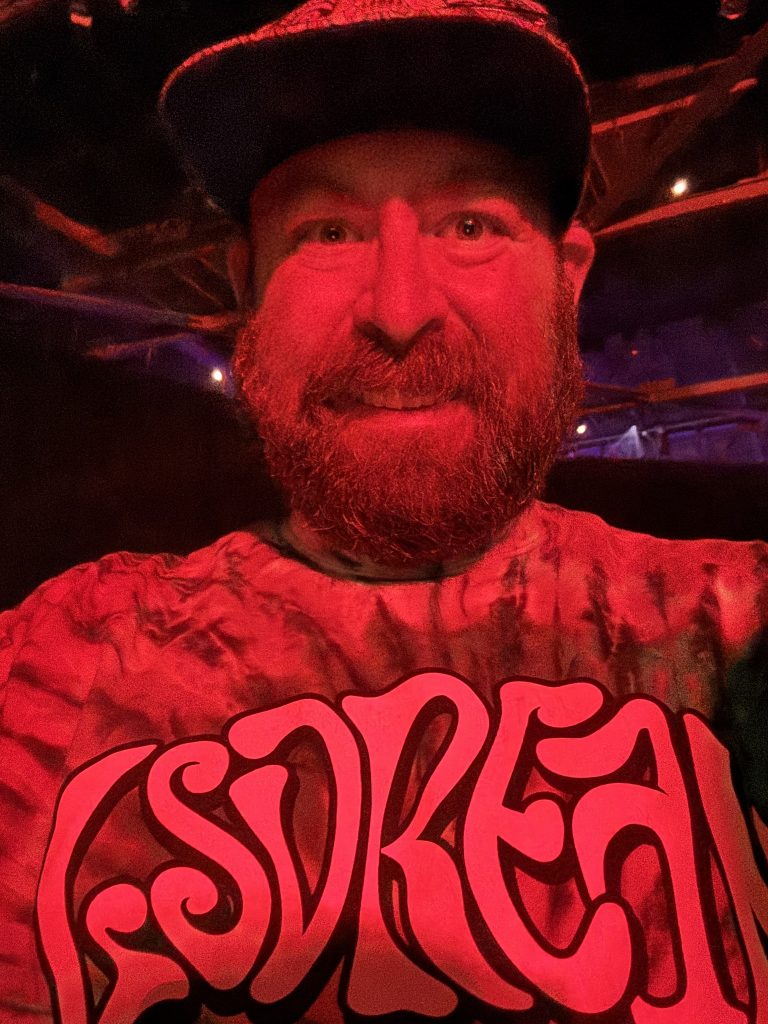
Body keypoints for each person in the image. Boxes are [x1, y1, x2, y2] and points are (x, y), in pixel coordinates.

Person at [1, 1, 767, 1022]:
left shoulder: (733, 630)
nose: (400, 312)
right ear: (247, 288)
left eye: (470, 226)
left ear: (568, 280)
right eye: (329, 232)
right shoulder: (59, 664)